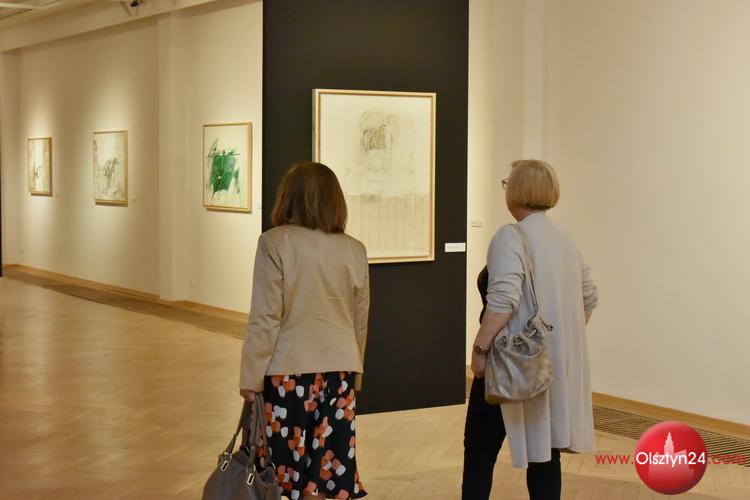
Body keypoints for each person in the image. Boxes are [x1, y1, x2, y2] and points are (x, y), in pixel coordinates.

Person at [462, 159, 599, 500]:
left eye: (507, 183)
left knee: (479, 448)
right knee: (545, 453)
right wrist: (559, 338)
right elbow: (590, 296)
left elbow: (503, 300)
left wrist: (479, 351)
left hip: (508, 363)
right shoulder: (565, 239)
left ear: (518, 191)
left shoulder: (510, 236)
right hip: (546, 367)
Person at [239, 161, 369, 500]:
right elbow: (360, 319)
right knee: (323, 473)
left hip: (288, 373)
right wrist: (355, 372)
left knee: (283, 471)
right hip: (339, 372)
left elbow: (266, 316)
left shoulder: (274, 243)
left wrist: (250, 377)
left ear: (288, 197)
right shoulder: (354, 249)